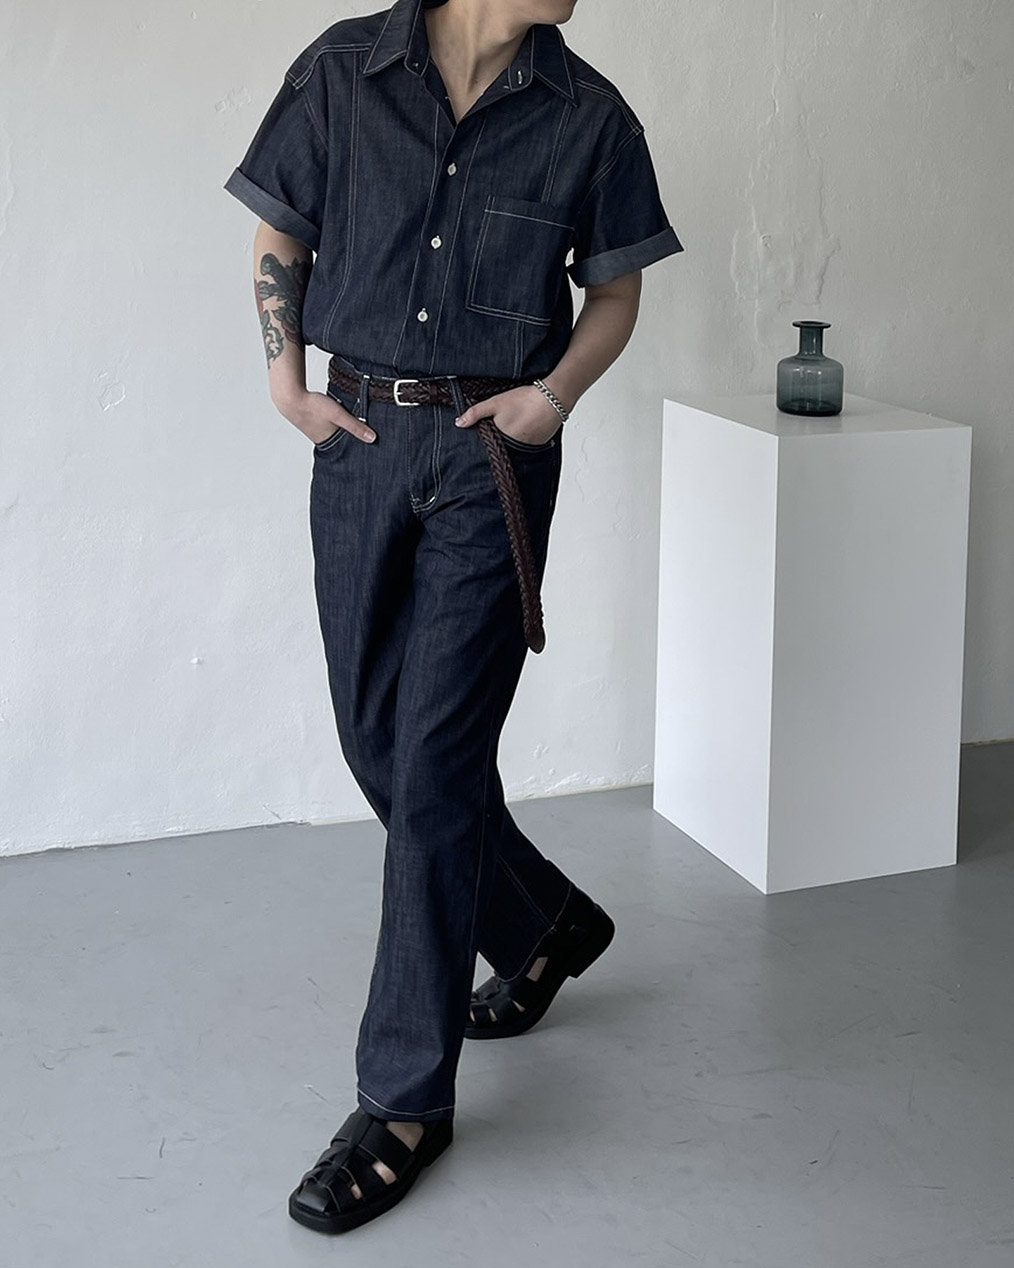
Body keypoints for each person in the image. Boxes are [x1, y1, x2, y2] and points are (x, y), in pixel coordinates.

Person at [223, 0, 683, 1235]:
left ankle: (403, 1100)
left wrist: (552, 397)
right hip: (360, 441)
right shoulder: (342, 70)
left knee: (433, 764)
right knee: (376, 740)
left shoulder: (591, 117)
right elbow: (281, 223)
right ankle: (541, 925)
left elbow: (615, 292)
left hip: (492, 461)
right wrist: (286, 381)